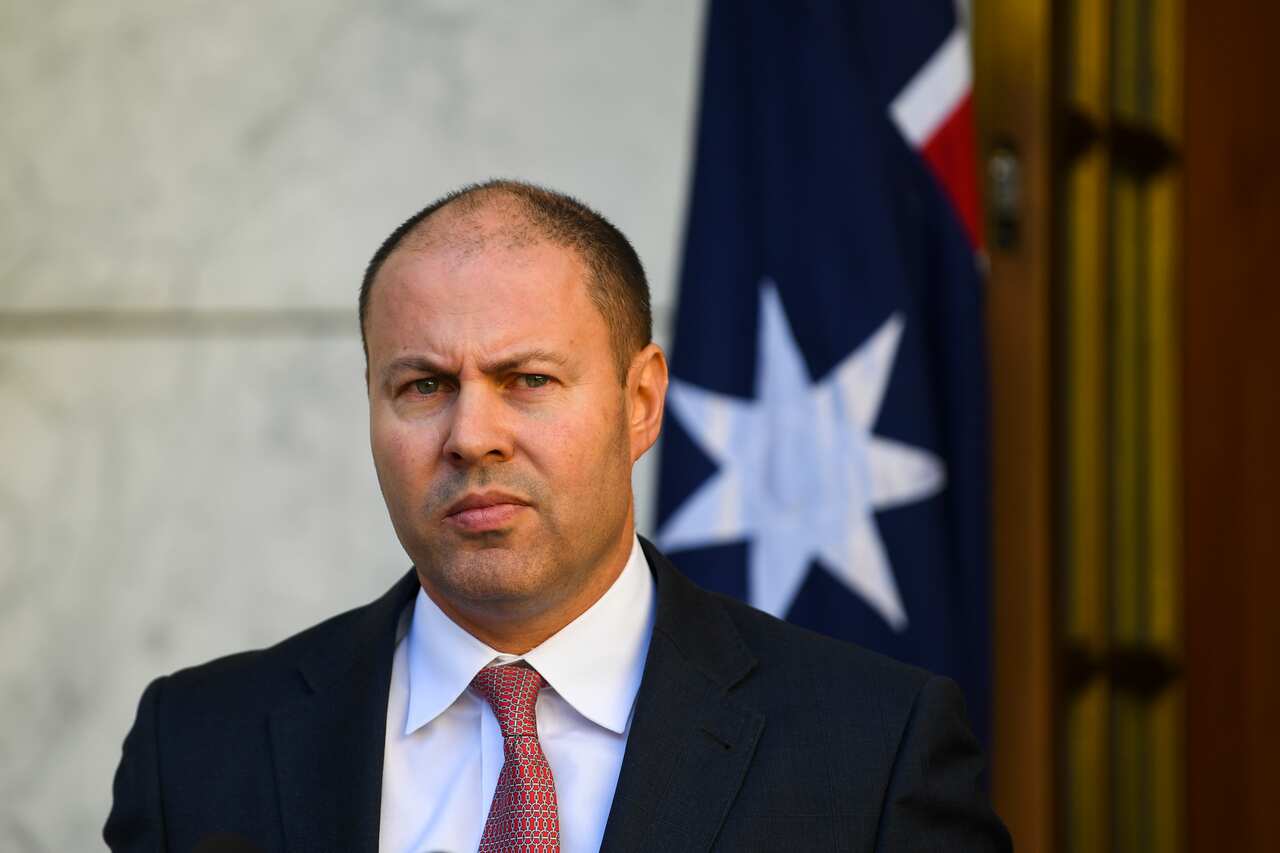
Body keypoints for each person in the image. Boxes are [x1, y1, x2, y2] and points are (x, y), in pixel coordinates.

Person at [105, 180, 1011, 852]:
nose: (472, 436)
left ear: (642, 401)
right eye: (423, 385)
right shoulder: (196, 749)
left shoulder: (871, 750)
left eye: (527, 380)